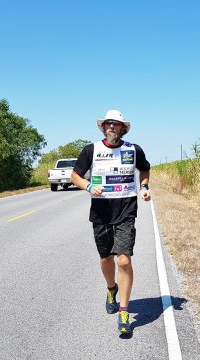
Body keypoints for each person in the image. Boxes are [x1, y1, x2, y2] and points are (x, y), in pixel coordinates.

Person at [71, 109, 151, 334]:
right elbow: (74, 175)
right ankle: (111, 288)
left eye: (116, 124)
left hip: (126, 210)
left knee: (124, 261)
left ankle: (123, 312)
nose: (111, 127)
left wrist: (144, 188)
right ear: (103, 127)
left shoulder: (133, 150)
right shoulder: (91, 150)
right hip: (101, 212)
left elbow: (144, 169)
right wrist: (87, 186)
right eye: (108, 124)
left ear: (123, 128)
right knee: (106, 259)